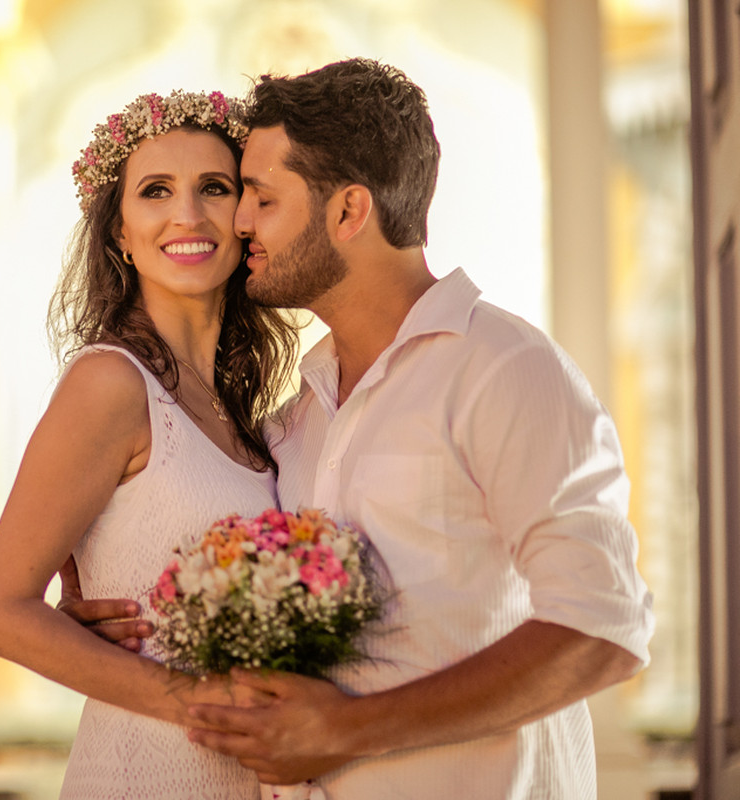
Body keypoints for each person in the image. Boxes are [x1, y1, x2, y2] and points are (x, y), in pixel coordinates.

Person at [66, 59, 656, 798]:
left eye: (261, 197)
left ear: (348, 213)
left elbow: (601, 633)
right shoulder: (298, 417)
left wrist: (351, 727)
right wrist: (98, 585)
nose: (238, 222)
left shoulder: (504, 371)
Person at [0, 89, 299, 799]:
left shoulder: (247, 418)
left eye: (216, 187)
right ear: (119, 232)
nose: (189, 214)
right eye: (155, 191)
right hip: (144, 773)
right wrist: (202, 706)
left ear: (245, 218)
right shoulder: (111, 384)